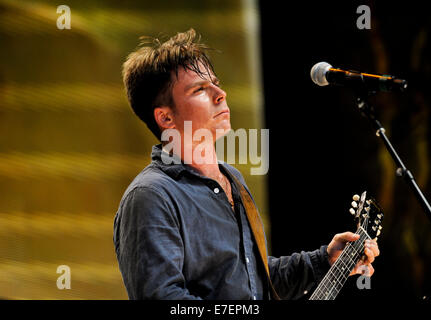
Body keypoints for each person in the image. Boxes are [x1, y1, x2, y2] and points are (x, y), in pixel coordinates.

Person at [113, 28, 380, 300]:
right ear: (166, 118)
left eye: (215, 83)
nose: (220, 93)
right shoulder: (150, 197)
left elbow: (253, 283)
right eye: (200, 89)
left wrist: (323, 260)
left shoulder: (231, 178)